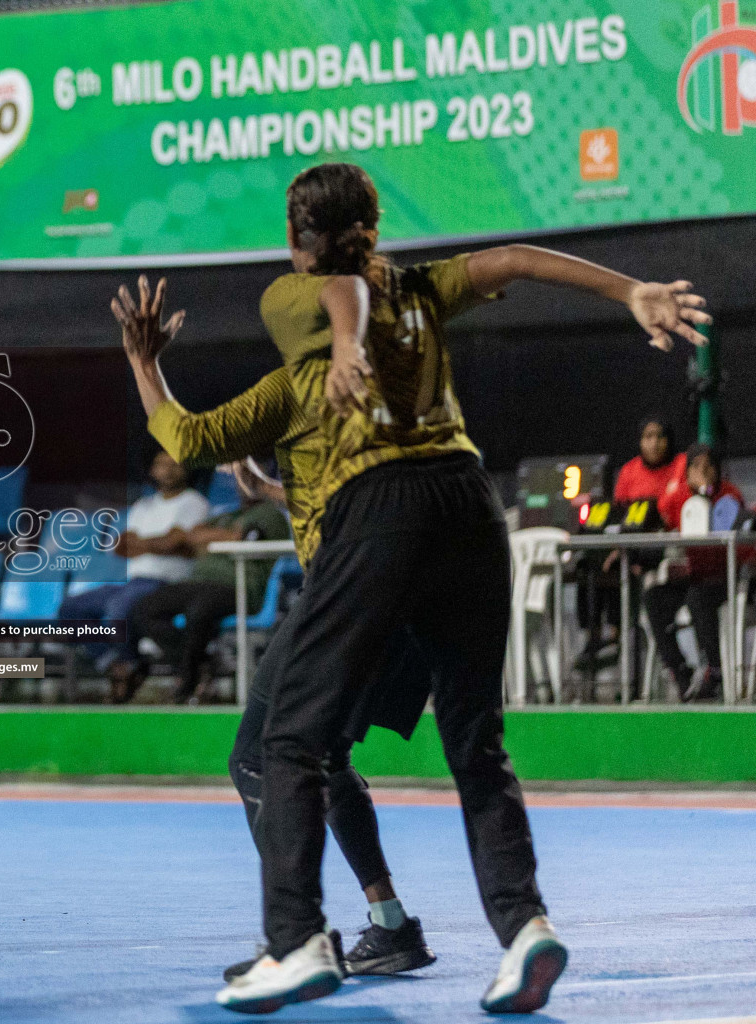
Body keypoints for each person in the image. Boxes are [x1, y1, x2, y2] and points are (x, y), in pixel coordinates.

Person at [172, 162, 709, 1014]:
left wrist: (348, 344)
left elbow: (342, 293)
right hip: (470, 504)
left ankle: (297, 941)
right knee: (476, 744)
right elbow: (521, 259)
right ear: (378, 222)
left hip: (383, 506)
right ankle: (525, 927)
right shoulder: (422, 287)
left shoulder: (292, 295)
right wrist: (630, 290)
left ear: (296, 238)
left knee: (288, 742)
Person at [118, 321, 437, 982]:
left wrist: (144, 363)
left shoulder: (303, 386)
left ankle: (300, 937)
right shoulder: (394, 398)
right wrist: (268, 491)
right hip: (404, 603)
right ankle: (391, 926)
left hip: (342, 598)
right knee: (327, 759)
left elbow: (185, 437)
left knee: (257, 760)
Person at [123, 461, 290, 704]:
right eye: (242, 479)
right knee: (143, 608)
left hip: (239, 588)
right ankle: (201, 664)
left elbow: (245, 539)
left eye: (252, 478)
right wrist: (225, 535)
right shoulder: (228, 515)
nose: (244, 485)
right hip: (198, 582)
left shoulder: (271, 516)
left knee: (199, 610)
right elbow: (190, 536)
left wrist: (215, 538)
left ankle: (187, 683)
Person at [58, 450, 210, 700]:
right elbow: (121, 545)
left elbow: (174, 542)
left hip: (168, 583)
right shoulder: (143, 505)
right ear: (152, 470)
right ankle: (116, 664)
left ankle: (130, 667)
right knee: (72, 609)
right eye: (161, 464)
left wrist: (146, 543)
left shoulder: (195, 503)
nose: (168, 469)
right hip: (131, 582)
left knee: (118, 610)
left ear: (186, 469)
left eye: (174, 464)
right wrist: (160, 542)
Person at [573, 416, 684, 686]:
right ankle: (597, 635)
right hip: (628, 546)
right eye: (647, 436)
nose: (653, 443)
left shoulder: (681, 464)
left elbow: (671, 509)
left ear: (668, 439)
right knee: (590, 564)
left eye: (659, 436)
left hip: (663, 547)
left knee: (627, 562)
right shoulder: (629, 471)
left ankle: (618, 633)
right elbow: (619, 516)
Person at [644, 444, 749, 701]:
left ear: (718, 470)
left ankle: (714, 671)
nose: (703, 470)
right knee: (654, 598)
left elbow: (722, 546)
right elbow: (664, 516)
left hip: (726, 578)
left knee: (697, 598)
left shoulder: (729, 496)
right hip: (693, 577)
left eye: (708, 465)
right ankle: (680, 671)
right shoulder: (680, 495)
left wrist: (704, 493)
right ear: (687, 471)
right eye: (696, 466)